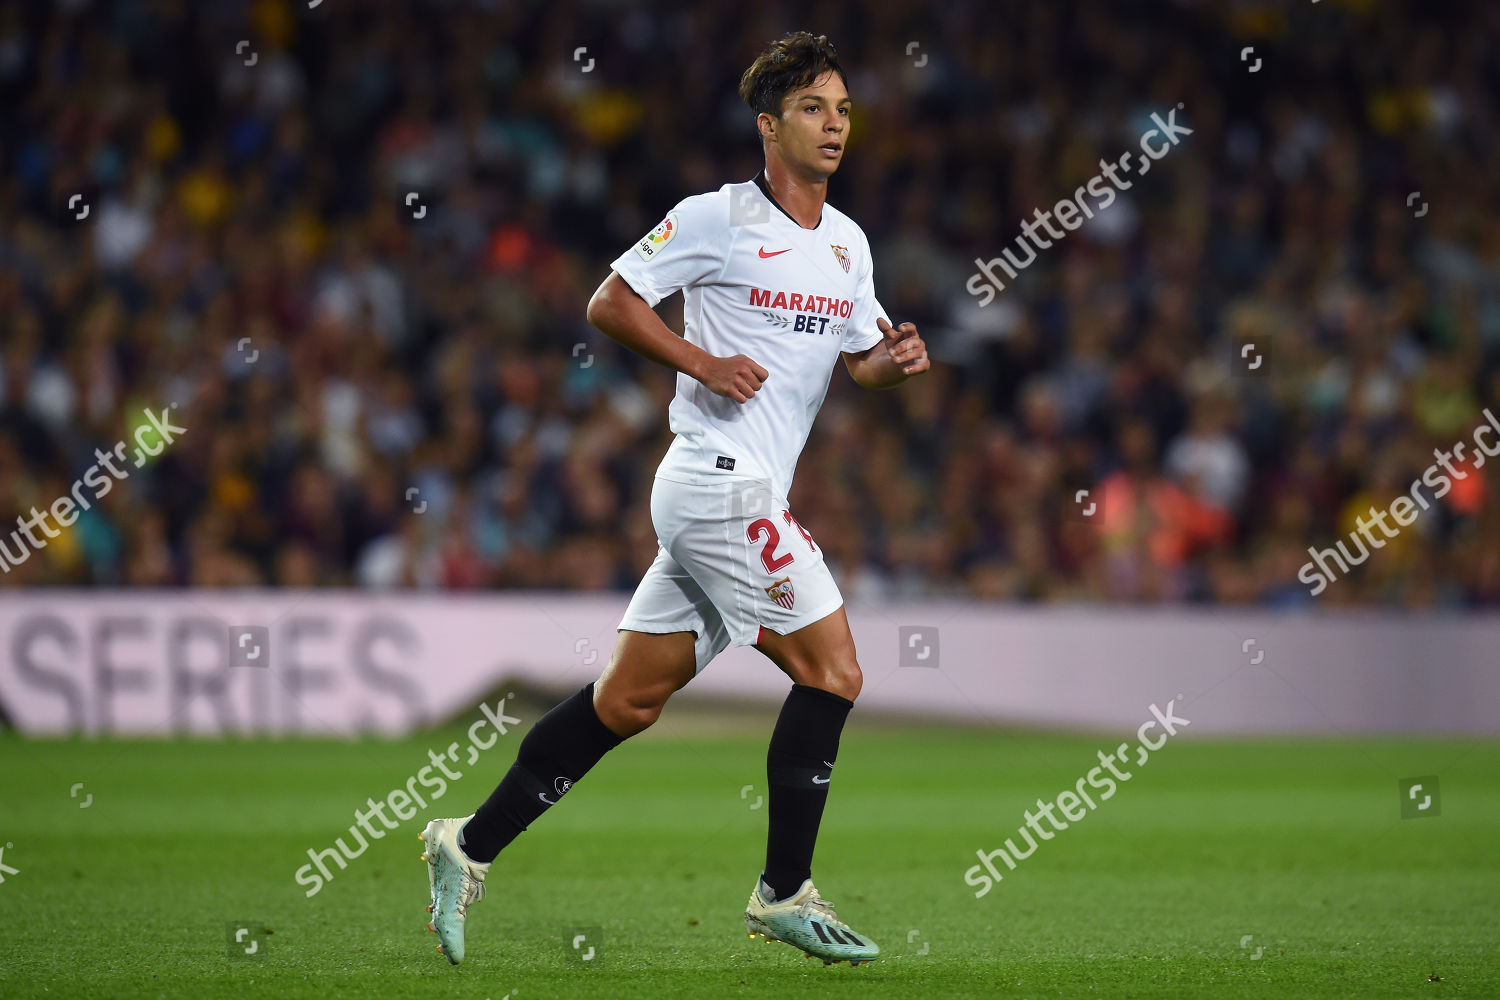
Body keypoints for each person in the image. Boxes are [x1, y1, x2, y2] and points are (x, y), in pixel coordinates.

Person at [420, 30, 930, 967]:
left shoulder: (848, 245)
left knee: (627, 701)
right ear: (768, 125)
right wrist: (701, 360)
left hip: (744, 490)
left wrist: (890, 365)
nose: (835, 126)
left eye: (845, 109)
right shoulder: (718, 218)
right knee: (836, 671)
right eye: (814, 109)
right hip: (711, 480)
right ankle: (784, 893)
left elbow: (857, 364)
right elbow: (609, 301)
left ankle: (467, 843)